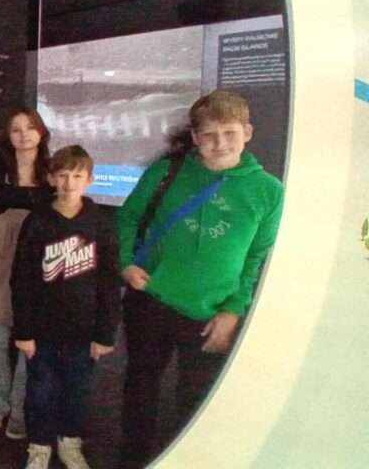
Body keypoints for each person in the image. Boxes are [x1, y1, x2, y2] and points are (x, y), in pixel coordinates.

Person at [116, 91, 284, 469]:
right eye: (209, 134)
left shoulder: (269, 192)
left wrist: (233, 310)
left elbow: (256, 258)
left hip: (211, 314)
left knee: (196, 400)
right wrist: (125, 264)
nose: (220, 143)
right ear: (195, 137)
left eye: (230, 133)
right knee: (141, 389)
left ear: (247, 132)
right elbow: (127, 219)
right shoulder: (166, 172)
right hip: (151, 300)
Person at [11, 145, 120, 469]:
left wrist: (105, 333)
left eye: (77, 176)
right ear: (51, 179)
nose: (69, 183)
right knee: (40, 390)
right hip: (42, 329)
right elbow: (22, 279)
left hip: (84, 330)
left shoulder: (101, 223)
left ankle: (70, 441)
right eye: (62, 176)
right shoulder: (37, 221)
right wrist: (24, 331)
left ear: (90, 180)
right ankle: (39, 444)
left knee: (78, 390)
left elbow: (109, 282)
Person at [0, 107, 53, 440]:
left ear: (41, 132)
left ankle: (20, 407)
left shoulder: (52, 171)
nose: (24, 135)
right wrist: (12, 222)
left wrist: (6, 218)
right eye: (16, 129)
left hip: (37, 269)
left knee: (28, 342)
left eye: (30, 128)